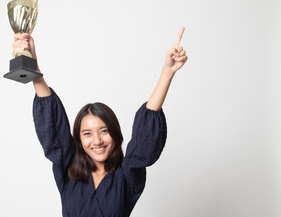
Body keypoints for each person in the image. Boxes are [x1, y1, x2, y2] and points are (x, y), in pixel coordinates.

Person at [12, 27, 188, 217]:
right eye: (87, 133)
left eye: (104, 131)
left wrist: (167, 71)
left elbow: (145, 137)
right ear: (78, 139)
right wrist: (32, 63)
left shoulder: (126, 176)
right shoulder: (67, 169)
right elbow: (52, 123)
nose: (97, 141)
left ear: (115, 133)